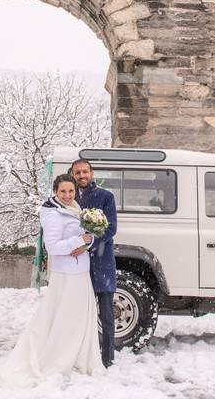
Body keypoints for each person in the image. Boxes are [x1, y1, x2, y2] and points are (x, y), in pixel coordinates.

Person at [0, 174, 103, 385]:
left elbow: (88, 237)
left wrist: (88, 241)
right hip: (67, 275)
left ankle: (78, 357)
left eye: (71, 191)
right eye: (62, 191)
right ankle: (58, 358)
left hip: (82, 272)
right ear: (55, 191)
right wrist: (78, 241)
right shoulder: (51, 213)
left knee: (80, 319)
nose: (67, 195)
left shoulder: (77, 209)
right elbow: (53, 247)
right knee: (64, 319)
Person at [71, 158, 118, 368]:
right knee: (80, 312)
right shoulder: (70, 200)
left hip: (102, 262)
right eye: (78, 173)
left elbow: (111, 229)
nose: (82, 176)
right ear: (73, 175)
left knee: (106, 314)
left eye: (85, 172)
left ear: (91, 173)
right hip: (78, 265)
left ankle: (107, 359)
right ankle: (81, 355)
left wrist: (89, 244)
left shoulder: (106, 196)